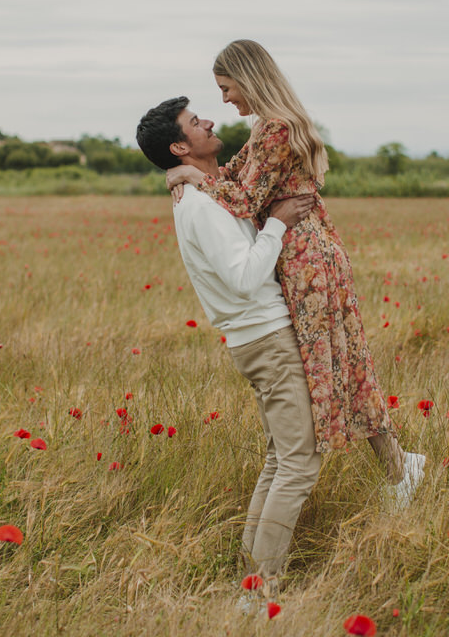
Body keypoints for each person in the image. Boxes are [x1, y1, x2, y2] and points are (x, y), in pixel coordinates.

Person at [164, 39, 425, 501]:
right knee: (345, 363)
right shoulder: (266, 128)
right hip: (300, 253)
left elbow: (241, 200)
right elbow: (234, 181)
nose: (225, 100)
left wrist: (195, 177)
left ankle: (399, 470)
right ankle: (399, 468)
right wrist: (193, 174)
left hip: (306, 258)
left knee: (334, 366)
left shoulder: (277, 130)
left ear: (249, 78)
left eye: (226, 88)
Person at [136, 95, 320, 597]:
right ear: (180, 146)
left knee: (281, 459)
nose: (210, 120)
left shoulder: (206, 192)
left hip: (256, 339)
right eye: (196, 122)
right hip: (266, 337)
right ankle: (260, 591)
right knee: (300, 462)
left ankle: (249, 572)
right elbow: (244, 277)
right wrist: (279, 221)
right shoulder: (199, 206)